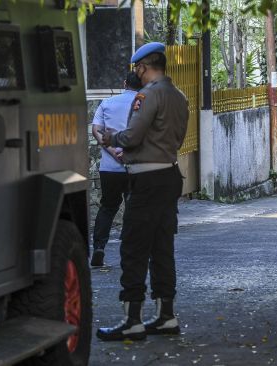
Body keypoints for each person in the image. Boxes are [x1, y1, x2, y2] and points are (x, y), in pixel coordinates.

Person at [97, 42, 189, 341]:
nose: (138, 72)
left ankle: (132, 319)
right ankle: (166, 315)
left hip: (146, 179)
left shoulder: (147, 95)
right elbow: (177, 137)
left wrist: (110, 135)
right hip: (169, 174)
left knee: (134, 247)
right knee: (163, 247)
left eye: (138, 67)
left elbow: (132, 137)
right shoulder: (179, 96)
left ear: (143, 67)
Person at [89, 72, 143, 267]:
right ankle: (131, 252)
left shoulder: (107, 103)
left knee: (108, 207)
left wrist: (113, 151)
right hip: (135, 167)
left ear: (124, 83)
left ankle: (99, 248)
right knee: (134, 209)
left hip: (109, 168)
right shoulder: (143, 104)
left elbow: (97, 130)